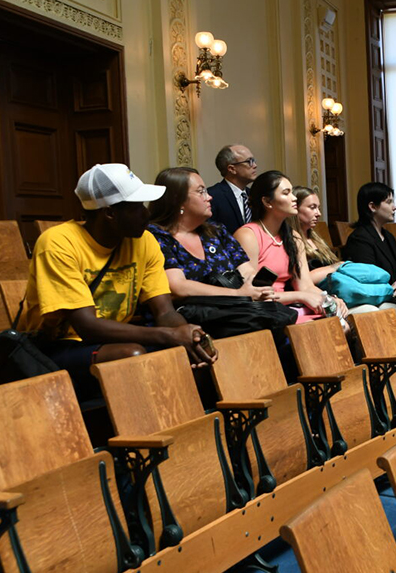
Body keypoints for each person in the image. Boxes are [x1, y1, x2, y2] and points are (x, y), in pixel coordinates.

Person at [23, 163, 215, 401]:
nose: (146, 214)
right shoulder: (58, 243)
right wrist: (170, 336)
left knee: (193, 351)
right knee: (132, 354)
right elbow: (87, 326)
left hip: (112, 338)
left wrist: (188, 336)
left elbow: (164, 312)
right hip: (57, 345)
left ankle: (196, 428)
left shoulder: (144, 241)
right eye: (137, 207)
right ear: (110, 213)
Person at [147, 166, 277, 301]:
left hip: (231, 313)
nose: (209, 197)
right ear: (178, 200)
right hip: (186, 316)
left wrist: (256, 287)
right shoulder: (157, 236)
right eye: (201, 192)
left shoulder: (217, 231)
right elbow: (178, 286)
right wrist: (238, 294)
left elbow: (246, 270)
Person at [234, 170, 348, 324]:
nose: (294, 198)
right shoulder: (248, 235)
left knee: (342, 323)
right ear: (267, 202)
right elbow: (255, 293)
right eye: (286, 193)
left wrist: (329, 298)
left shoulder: (293, 237)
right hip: (265, 312)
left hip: (289, 307)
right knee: (327, 330)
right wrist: (300, 296)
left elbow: (305, 285)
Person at [289, 185, 396, 316]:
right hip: (318, 299)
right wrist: (334, 267)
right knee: (371, 312)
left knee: (393, 309)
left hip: (337, 292)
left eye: (318, 208)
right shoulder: (291, 241)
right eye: (312, 207)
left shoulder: (317, 240)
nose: (318, 213)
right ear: (295, 209)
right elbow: (302, 281)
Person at [341, 182, 396, 300]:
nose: (394, 207)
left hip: (395, 297)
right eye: (389, 202)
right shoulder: (359, 239)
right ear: (372, 207)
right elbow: (368, 280)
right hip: (377, 299)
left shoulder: (389, 237)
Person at [208, 144, 258, 234]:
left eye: (253, 161)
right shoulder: (212, 196)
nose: (255, 165)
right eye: (249, 161)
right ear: (232, 169)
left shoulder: (255, 195)